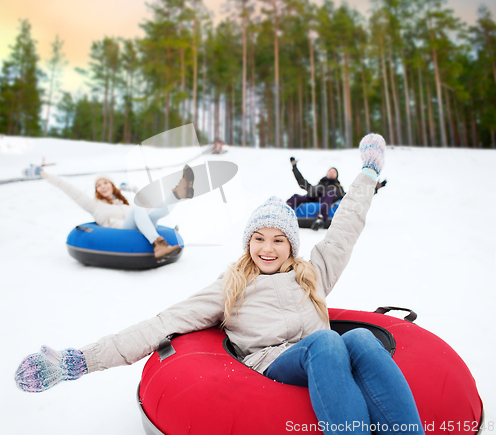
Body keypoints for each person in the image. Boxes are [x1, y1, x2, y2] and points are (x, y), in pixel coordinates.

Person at [15, 134, 424, 434]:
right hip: (273, 363)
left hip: (324, 357)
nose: (268, 248)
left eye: (279, 240)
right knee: (329, 341)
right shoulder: (232, 284)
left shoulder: (313, 272)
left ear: (291, 245)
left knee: (361, 342)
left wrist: (369, 171)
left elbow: (346, 225)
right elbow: (162, 323)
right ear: (249, 243)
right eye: (259, 239)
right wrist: (79, 360)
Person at [24, 164, 195, 260]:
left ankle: (178, 194)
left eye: (106, 182)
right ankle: (158, 245)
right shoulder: (93, 205)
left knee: (152, 212)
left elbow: (149, 211)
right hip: (119, 232)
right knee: (138, 208)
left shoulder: (124, 203)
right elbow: (69, 189)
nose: (103, 186)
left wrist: (137, 192)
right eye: (99, 184)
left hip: (139, 226)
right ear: (96, 190)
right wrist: (43, 173)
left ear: (112, 185)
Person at [286, 160, 346, 230]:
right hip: (313, 197)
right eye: (330, 171)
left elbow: (348, 196)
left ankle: (320, 218)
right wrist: (294, 167)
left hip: (327, 199)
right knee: (296, 196)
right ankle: (283, 212)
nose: (331, 172)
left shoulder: (338, 188)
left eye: (334, 172)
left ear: (336, 176)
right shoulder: (318, 186)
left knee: (329, 194)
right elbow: (302, 182)